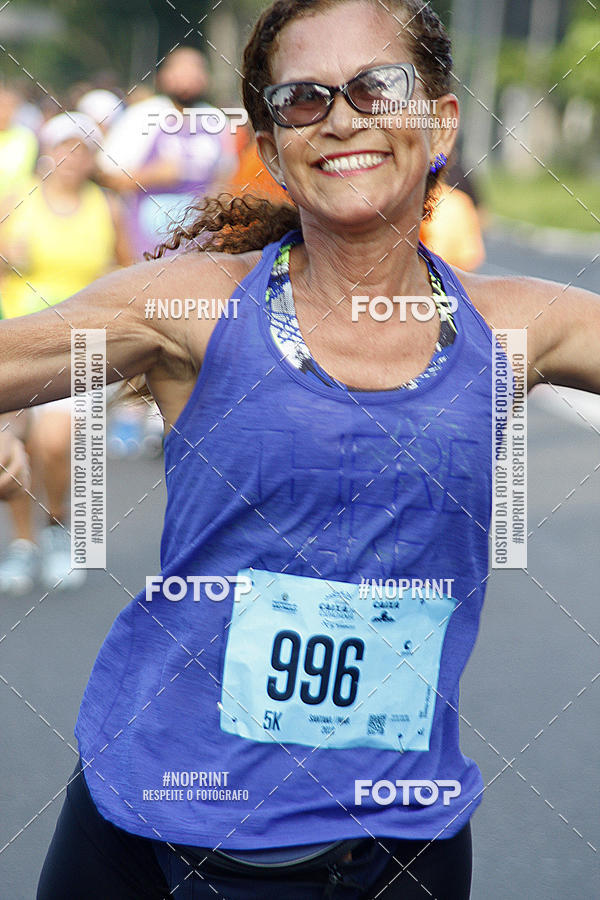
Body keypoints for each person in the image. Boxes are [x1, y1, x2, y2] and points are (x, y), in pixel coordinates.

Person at [0, 0, 598, 896]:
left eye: (376, 86)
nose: (344, 117)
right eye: (304, 99)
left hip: (401, 849)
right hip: (147, 832)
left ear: (439, 120)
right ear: (273, 148)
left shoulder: (520, 326)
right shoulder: (189, 307)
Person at [0, 111, 132, 594]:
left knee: (55, 443)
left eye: (84, 149)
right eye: (65, 147)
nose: (73, 159)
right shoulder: (17, 201)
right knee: (12, 445)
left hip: (79, 345)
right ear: (49, 151)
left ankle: (57, 525)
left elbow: (130, 270)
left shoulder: (107, 207)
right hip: (16, 338)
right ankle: (20, 545)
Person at [97, 47, 238, 260]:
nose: (188, 78)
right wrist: (150, 176)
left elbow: (227, 179)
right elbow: (105, 177)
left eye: (195, 70)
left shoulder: (216, 120)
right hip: (144, 249)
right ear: (164, 76)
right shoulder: (142, 116)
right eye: (180, 70)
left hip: (199, 252)